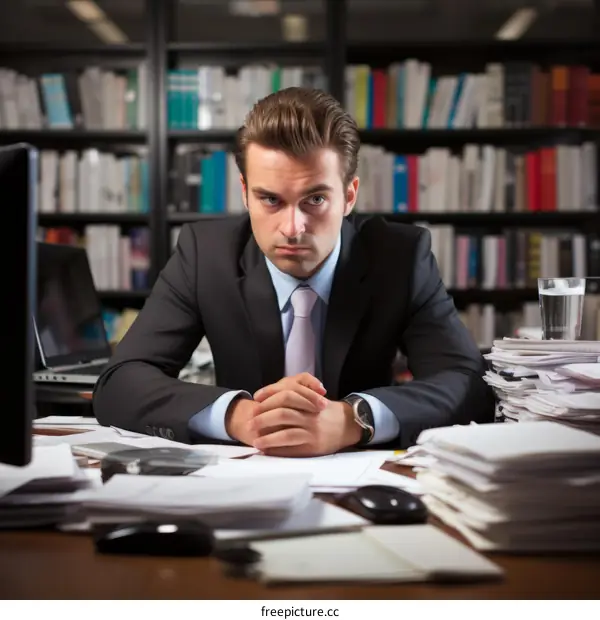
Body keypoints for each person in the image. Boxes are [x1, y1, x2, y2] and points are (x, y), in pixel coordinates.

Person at [93, 87, 495, 456]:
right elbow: (120, 382)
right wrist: (242, 417)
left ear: (349, 196)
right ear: (244, 192)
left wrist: (355, 419)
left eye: (315, 199)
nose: (292, 228)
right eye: (270, 199)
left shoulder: (400, 256)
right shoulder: (205, 254)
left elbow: (467, 383)